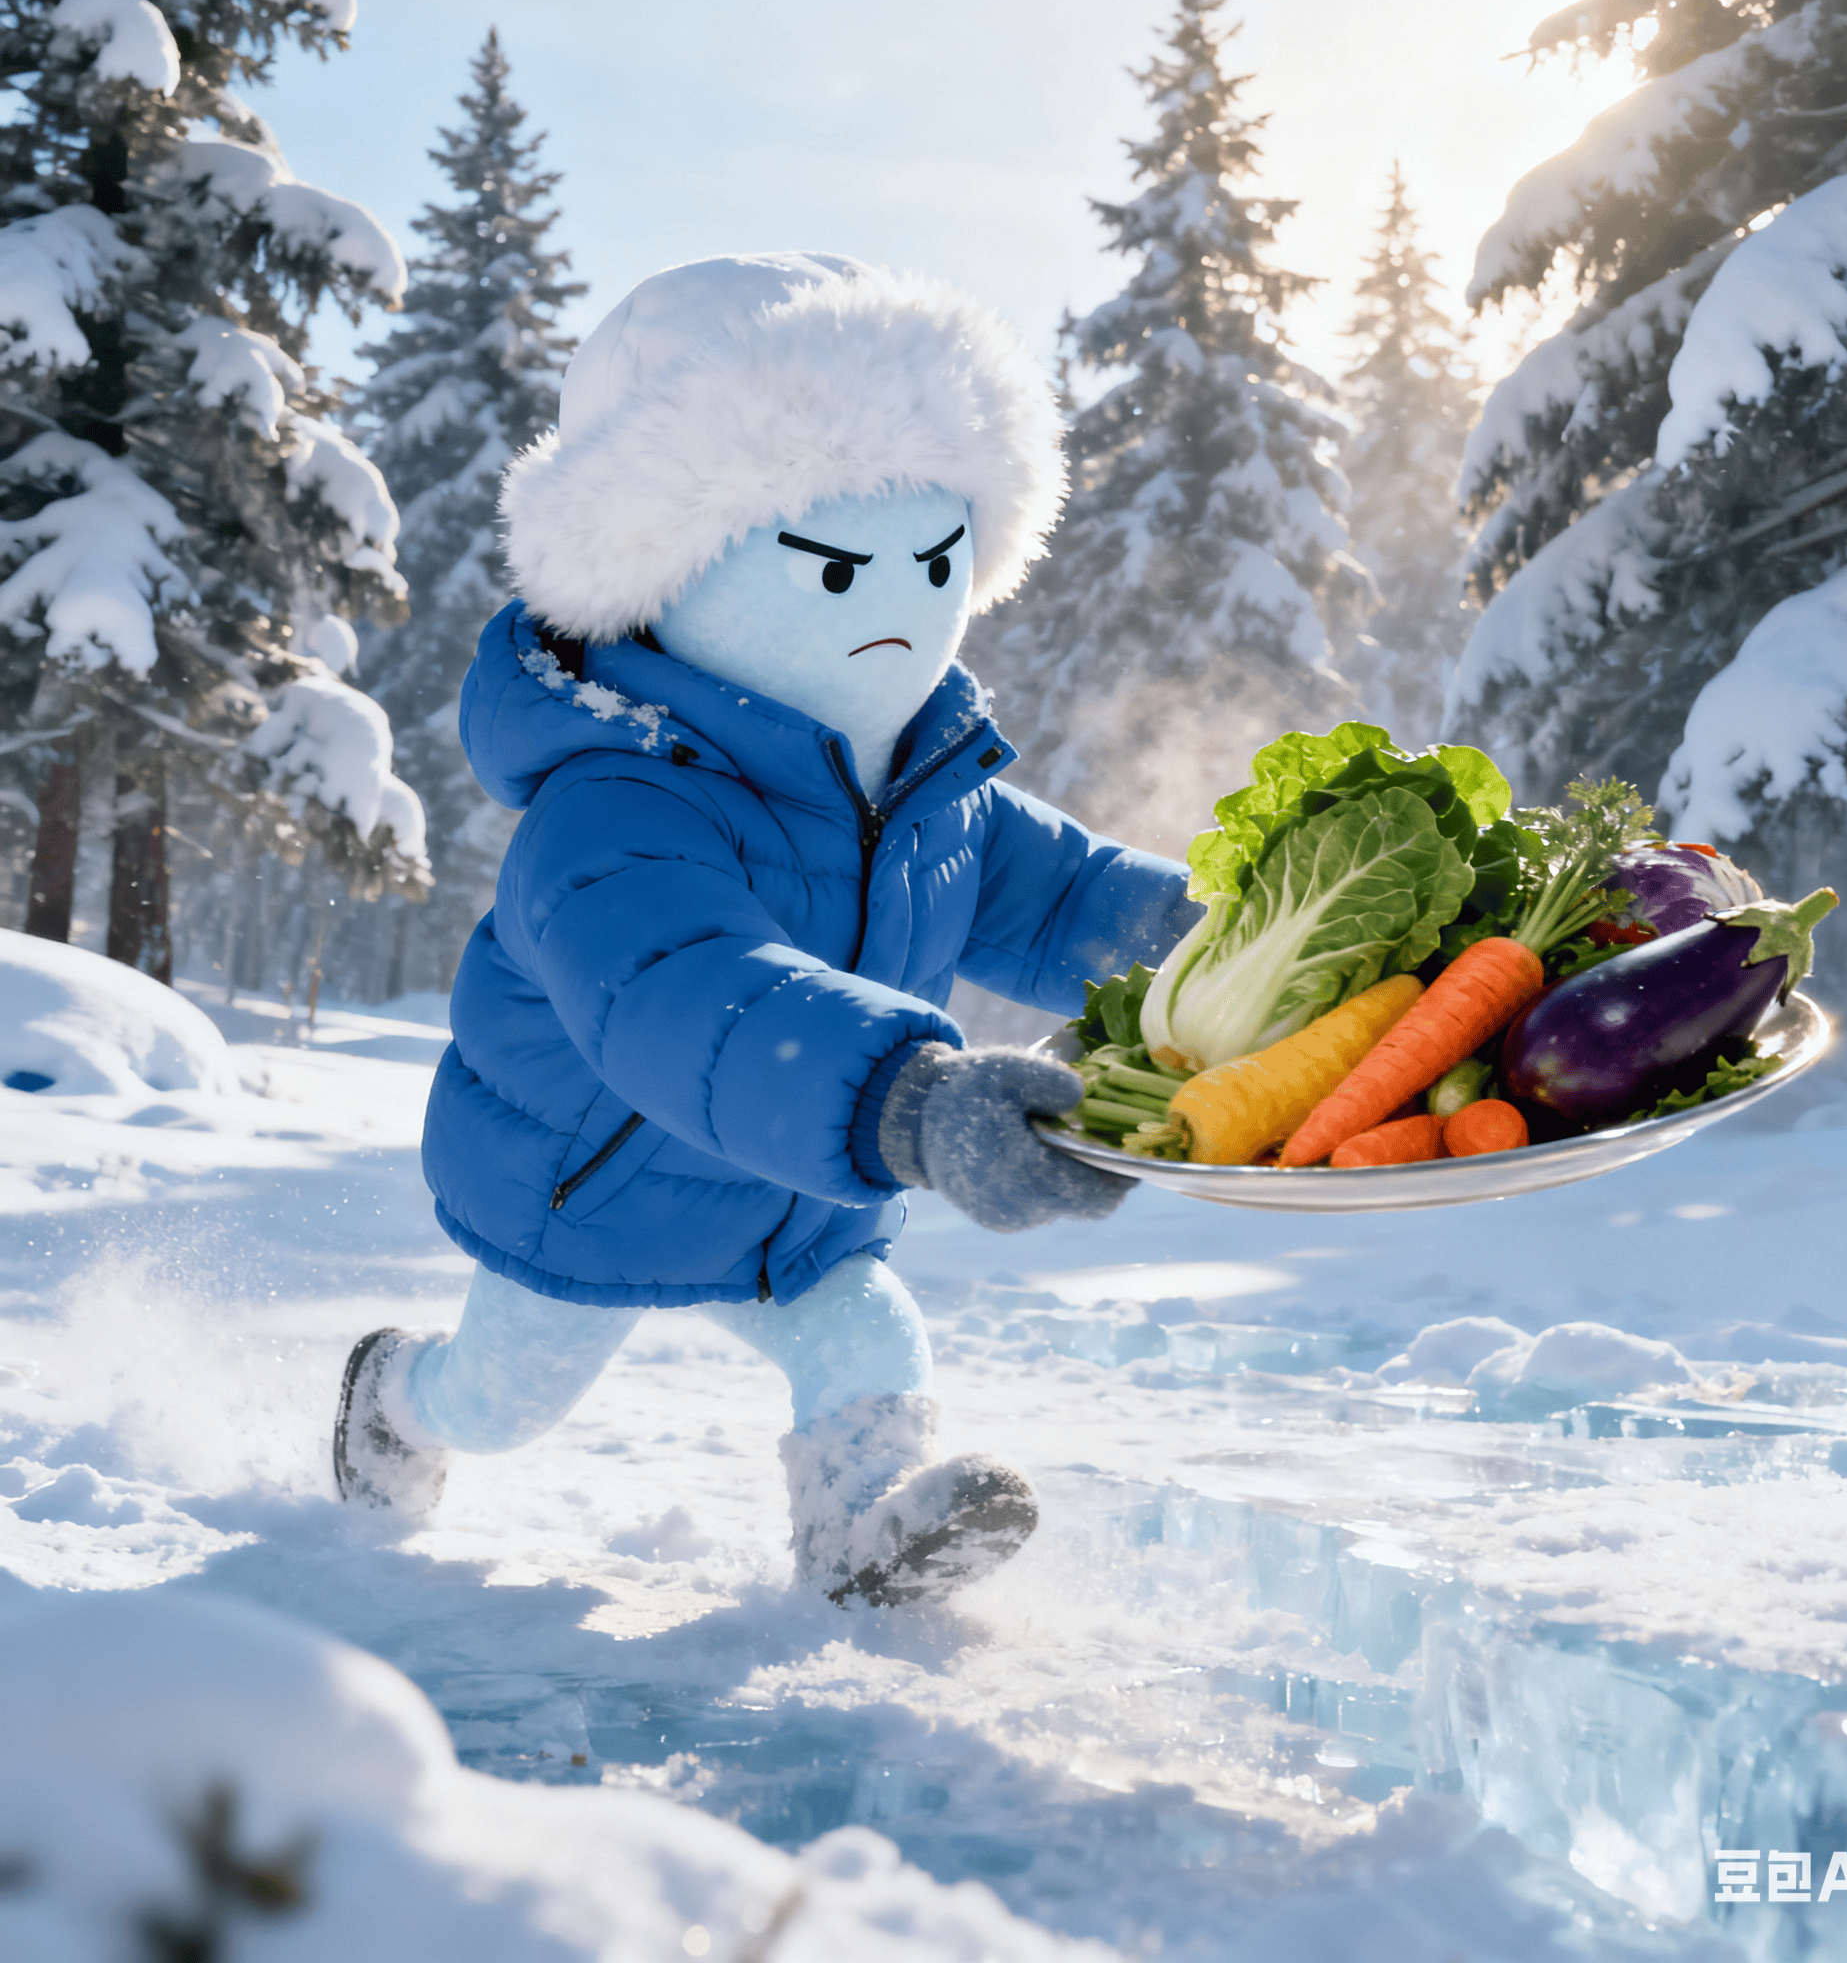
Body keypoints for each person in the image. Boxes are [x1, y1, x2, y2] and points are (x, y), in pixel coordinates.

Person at [332, 254, 1199, 1607]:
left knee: (866, 1332)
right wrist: (909, 1101)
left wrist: (1233, 940)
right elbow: (685, 994)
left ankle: (856, 1543)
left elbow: (1067, 897)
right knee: (503, 1401)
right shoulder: (614, 807)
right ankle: (394, 1403)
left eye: (935, 562)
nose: (902, 610)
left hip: (797, 1200)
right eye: (839, 570)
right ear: (662, 572)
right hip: (600, 1191)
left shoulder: (919, 783)